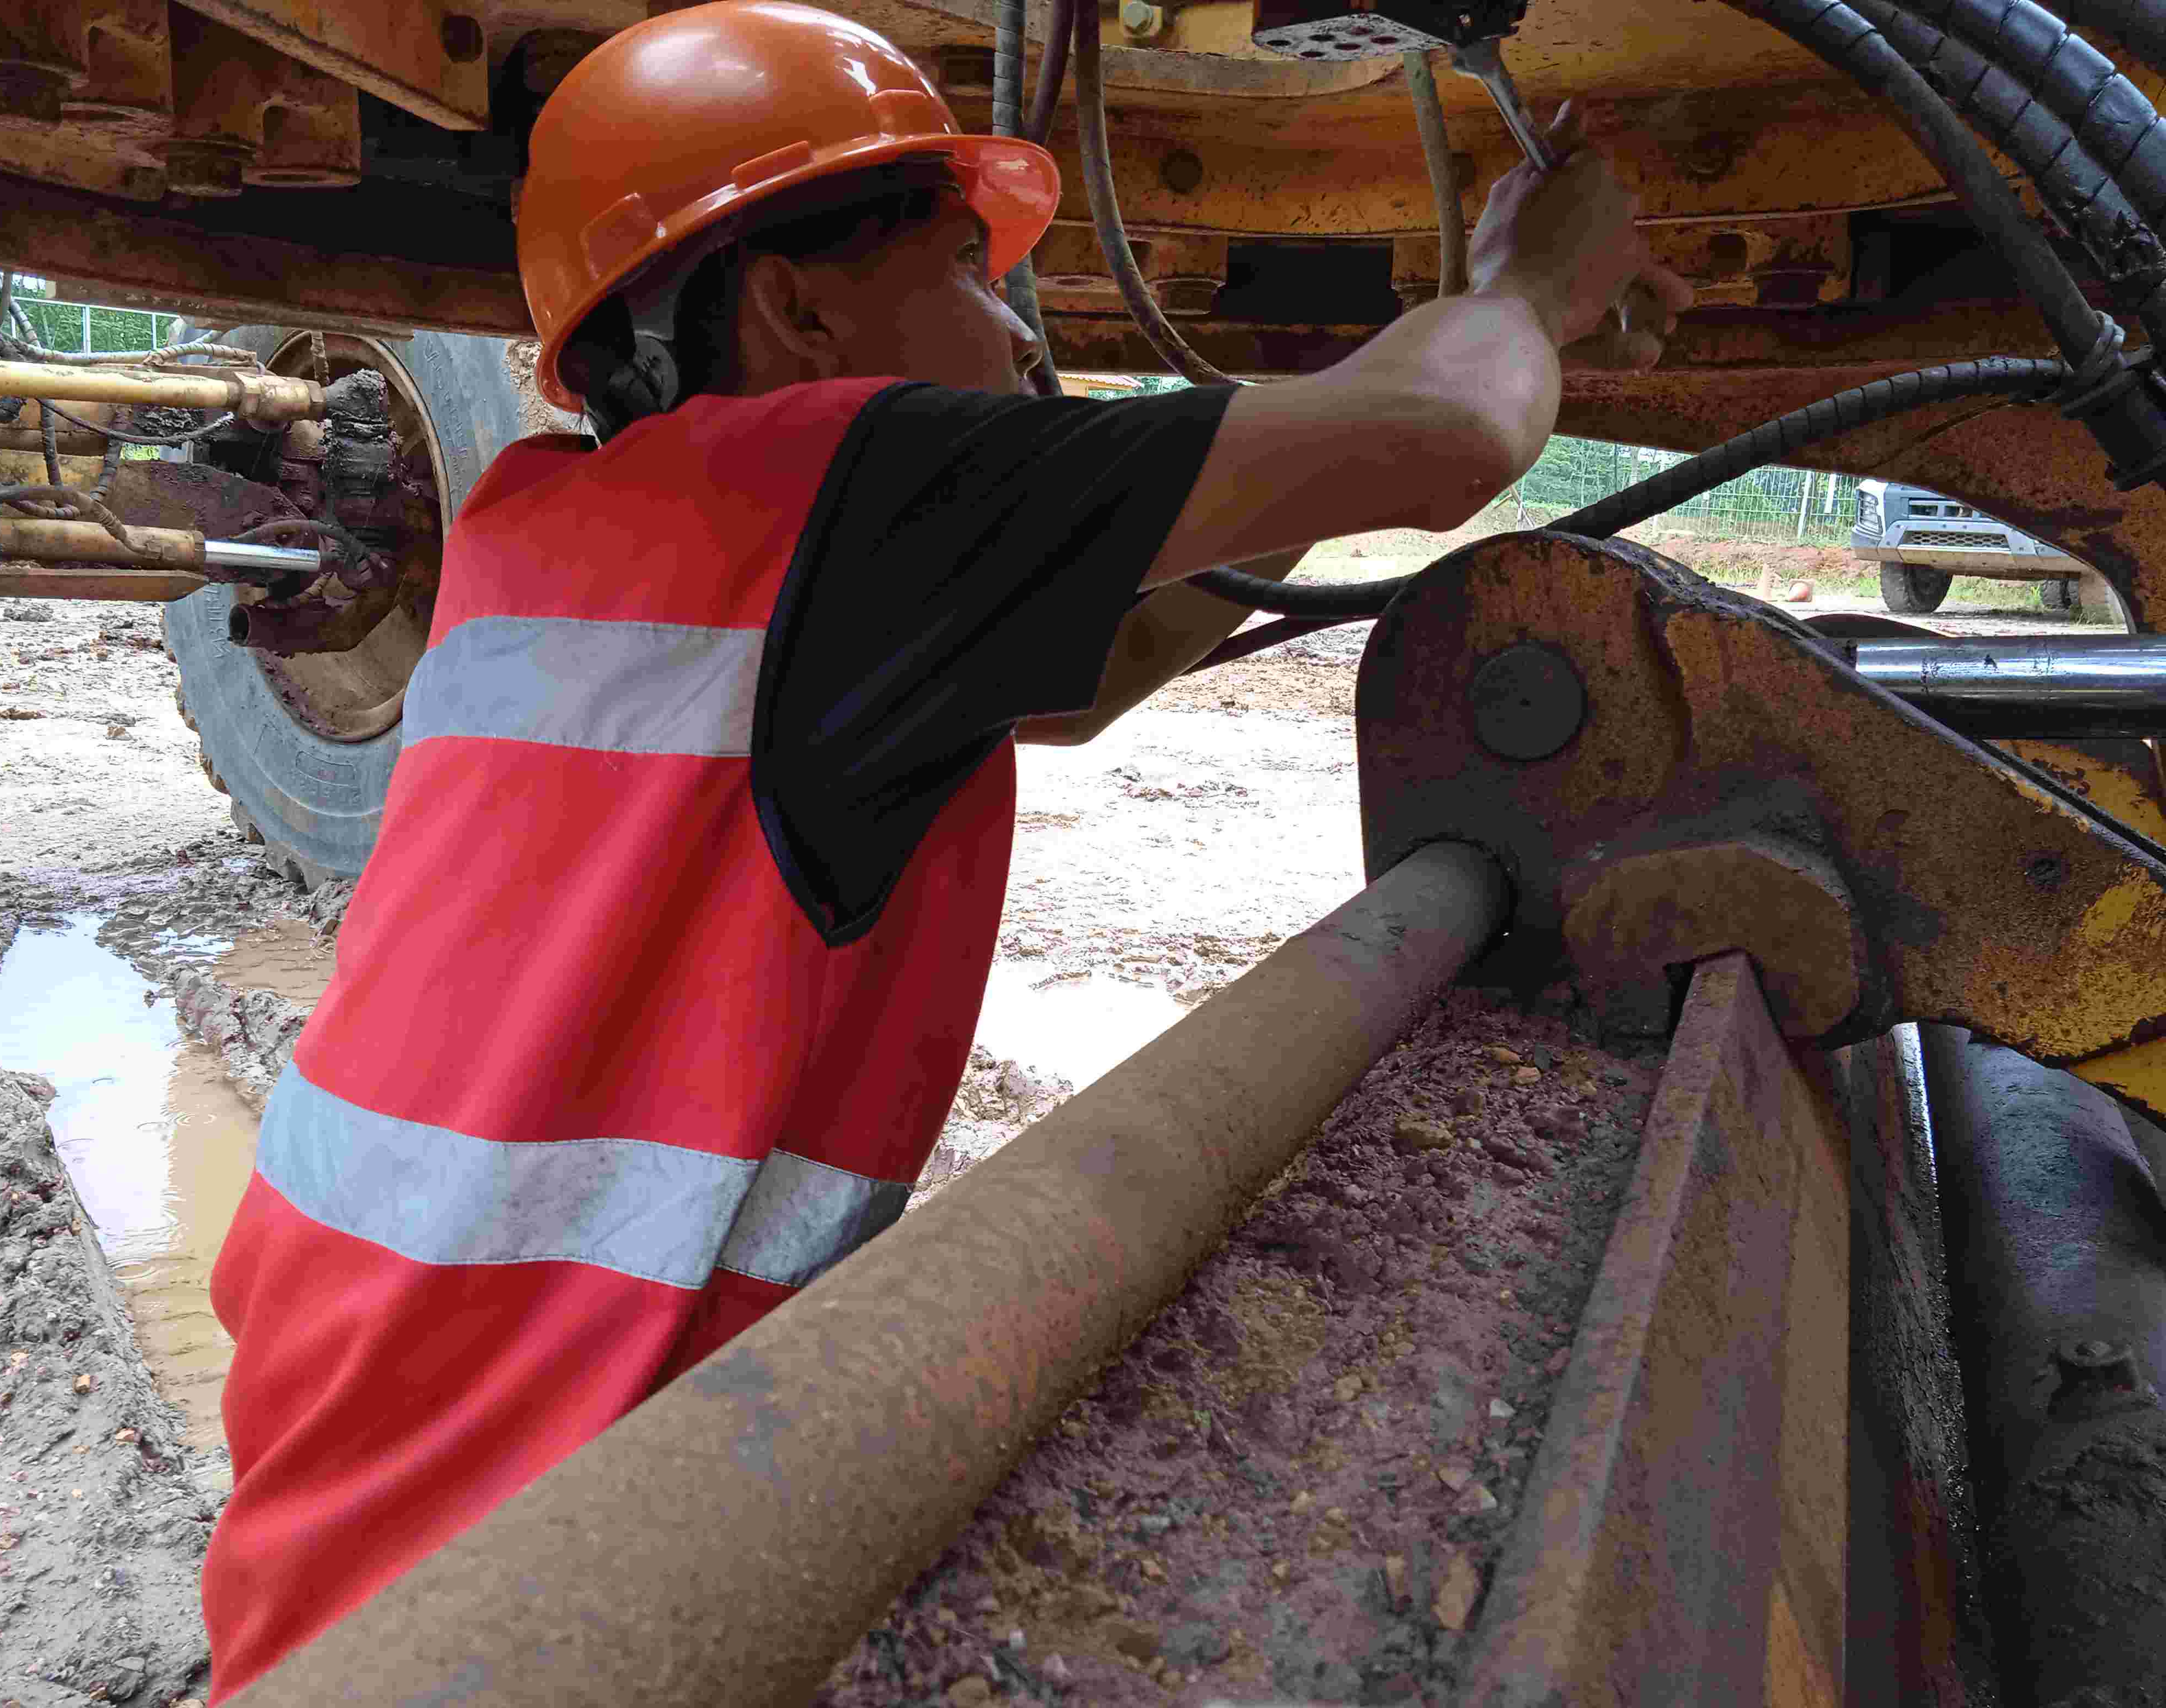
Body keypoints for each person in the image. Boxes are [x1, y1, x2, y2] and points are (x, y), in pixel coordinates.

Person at [197, 1, 1690, 1695]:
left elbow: (1080, 680)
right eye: (974, 270)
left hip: (355, 1435)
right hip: (534, 1536)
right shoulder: (835, 479)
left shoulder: (550, 523)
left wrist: (1290, 472)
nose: (1019, 327)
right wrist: (1529, 290)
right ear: (798, 308)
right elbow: (1452, 438)